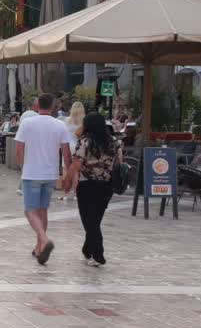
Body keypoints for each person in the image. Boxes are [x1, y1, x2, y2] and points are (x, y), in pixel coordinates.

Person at [15, 93, 72, 265]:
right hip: (50, 174)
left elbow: (19, 149)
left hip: (32, 172)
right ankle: (39, 248)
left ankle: (44, 239)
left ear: (37, 105)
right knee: (43, 210)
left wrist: (22, 167)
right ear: (54, 106)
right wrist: (67, 173)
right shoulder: (60, 125)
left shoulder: (27, 123)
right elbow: (66, 152)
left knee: (30, 210)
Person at [62, 112, 122, 267]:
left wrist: (66, 182)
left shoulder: (85, 142)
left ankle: (98, 255)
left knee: (89, 221)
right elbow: (119, 164)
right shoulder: (114, 142)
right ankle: (87, 249)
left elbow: (75, 166)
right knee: (95, 220)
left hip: (87, 185)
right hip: (106, 186)